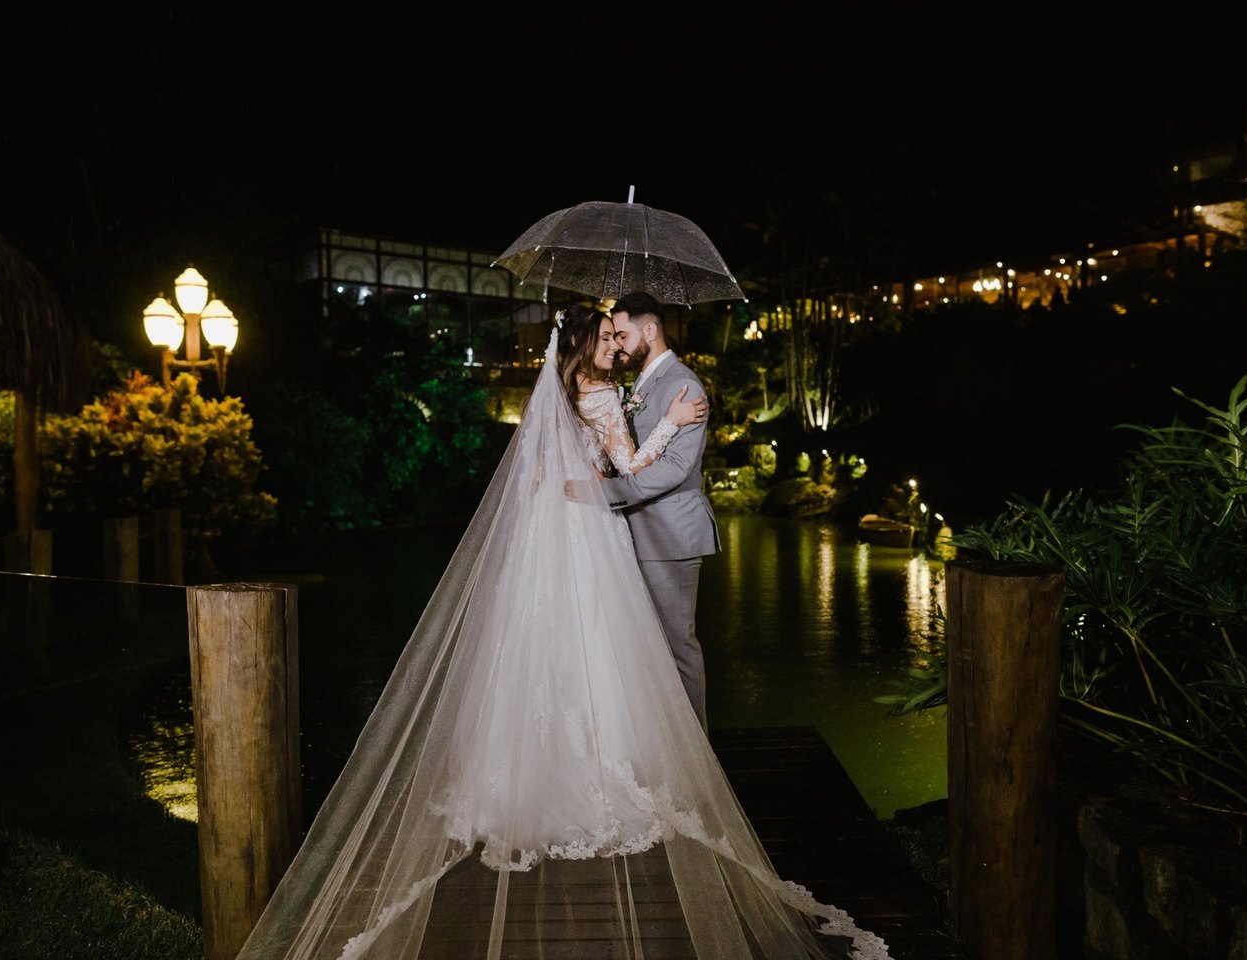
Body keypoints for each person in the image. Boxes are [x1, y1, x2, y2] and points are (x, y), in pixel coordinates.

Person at [233, 306, 891, 960]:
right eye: (606, 337)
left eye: (618, 335)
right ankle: (613, 767)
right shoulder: (602, 392)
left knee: (548, 646)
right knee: (600, 643)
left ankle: (525, 770)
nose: (615, 345)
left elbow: (546, 473)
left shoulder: (554, 389)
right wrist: (669, 422)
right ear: (584, 343)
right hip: (590, 533)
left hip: (547, 534)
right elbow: (631, 466)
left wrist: (594, 473)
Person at [604, 291, 721, 729]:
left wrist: (607, 492)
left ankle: (699, 756)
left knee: (677, 646)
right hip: (638, 532)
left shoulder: (682, 384)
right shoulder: (640, 382)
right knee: (646, 648)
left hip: (671, 533)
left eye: (622, 334)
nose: (616, 344)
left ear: (649, 330)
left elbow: (674, 468)